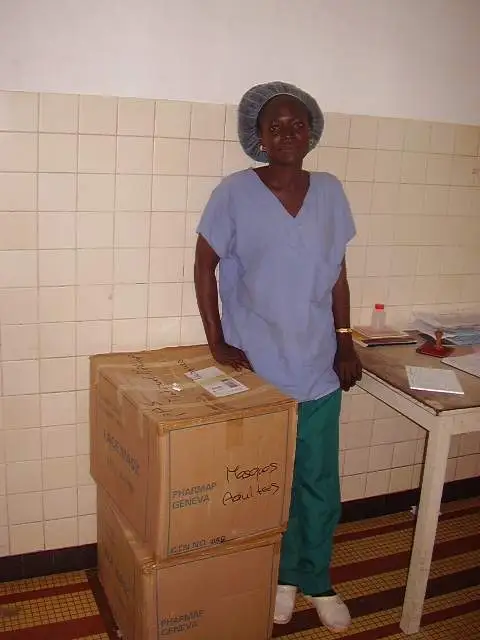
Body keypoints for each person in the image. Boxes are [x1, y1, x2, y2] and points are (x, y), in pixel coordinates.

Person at [194, 81, 362, 633]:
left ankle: (317, 580)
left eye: (297, 125)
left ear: (311, 133)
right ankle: (280, 577)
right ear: (258, 138)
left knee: (318, 483)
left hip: (317, 367)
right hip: (259, 370)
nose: (287, 133)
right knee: (267, 482)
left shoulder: (330, 191)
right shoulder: (233, 193)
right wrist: (216, 339)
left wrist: (344, 340)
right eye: (275, 126)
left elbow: (337, 272)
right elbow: (204, 264)